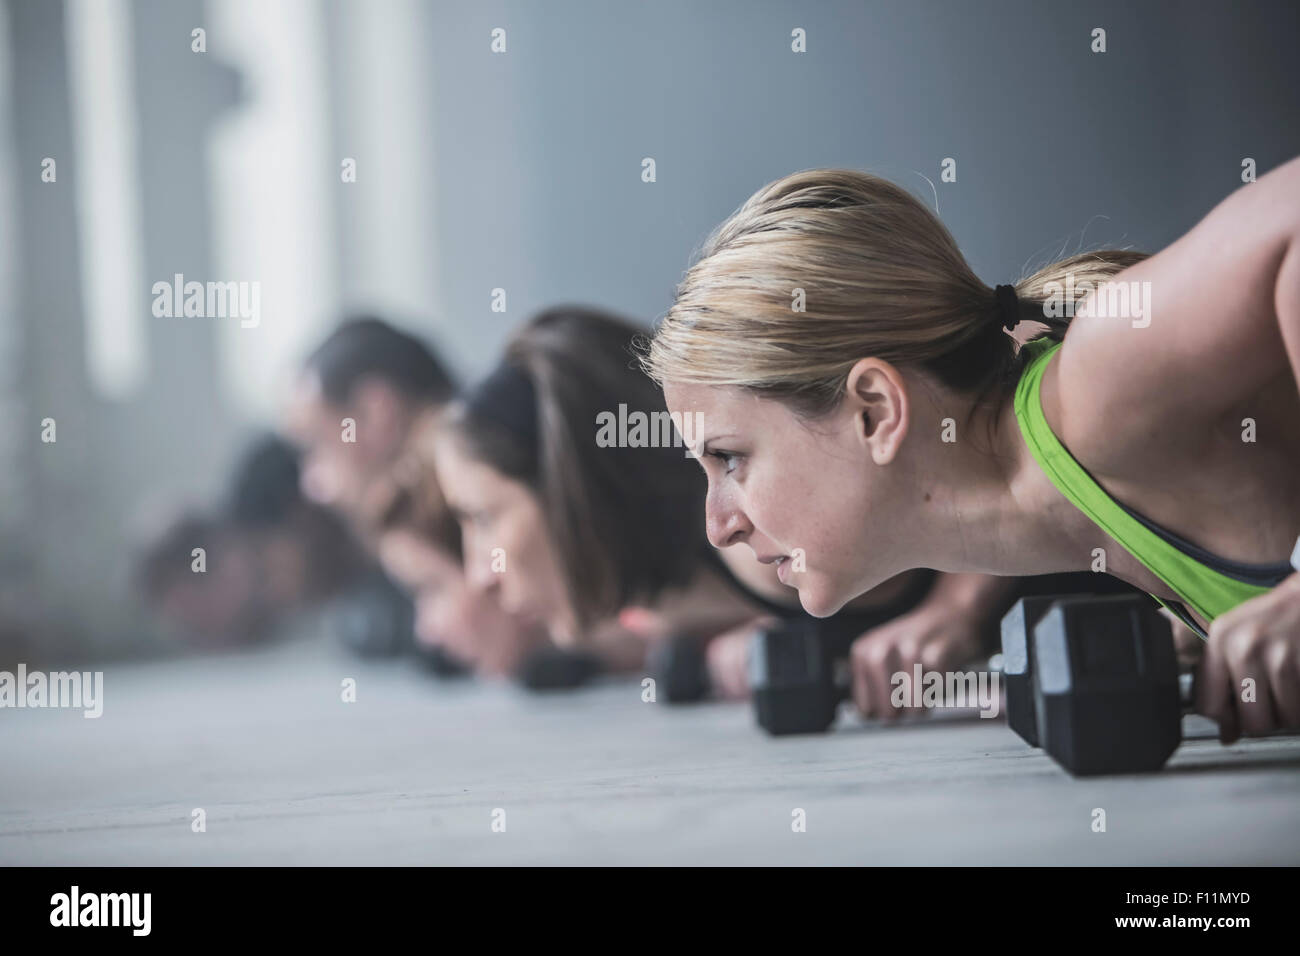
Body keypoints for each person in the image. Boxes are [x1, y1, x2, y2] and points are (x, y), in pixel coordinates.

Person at [642, 158, 1300, 740]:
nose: (718, 525)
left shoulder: (1096, 391)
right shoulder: (1107, 526)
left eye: (730, 459)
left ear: (875, 412)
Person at [432, 305, 1030, 713]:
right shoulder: (670, 607)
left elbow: (988, 441)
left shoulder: (762, 536)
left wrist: (958, 608)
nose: (481, 572)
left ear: (575, 492)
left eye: (483, 519)